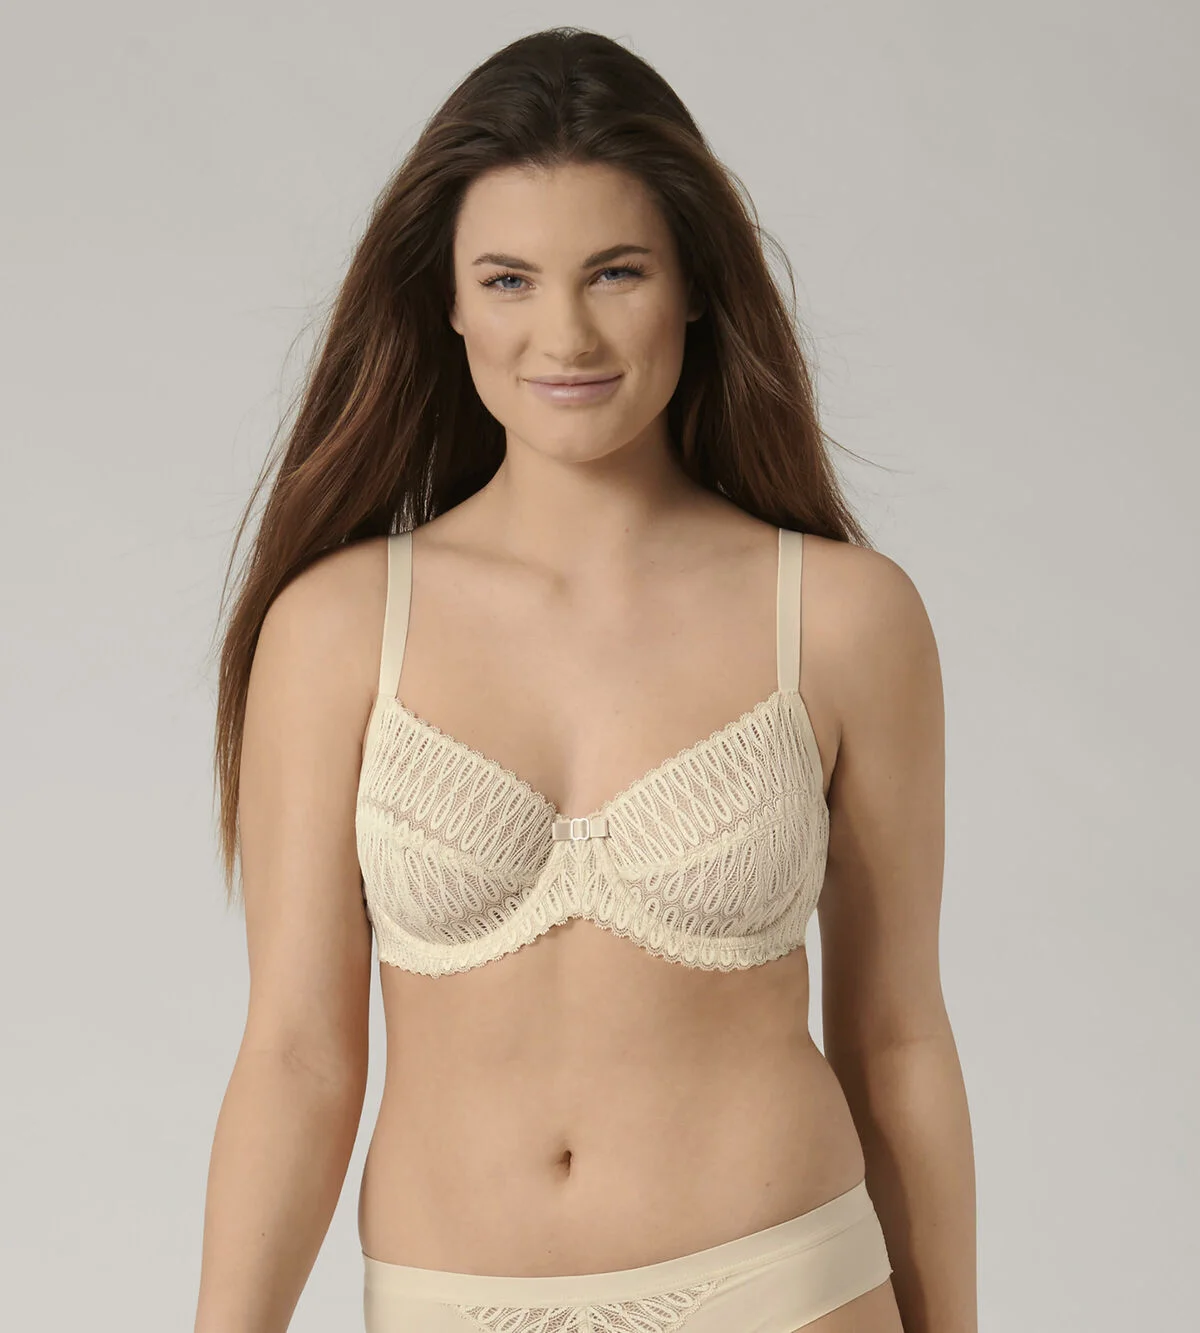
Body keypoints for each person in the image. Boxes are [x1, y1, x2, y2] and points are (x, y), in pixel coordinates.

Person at [195, 25, 976, 1333]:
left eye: (616, 272)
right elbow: (296, 1057)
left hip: (784, 1289)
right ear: (448, 301)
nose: (563, 333)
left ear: (695, 286)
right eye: (508, 279)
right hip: (452, 1299)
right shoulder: (337, 629)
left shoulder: (843, 620)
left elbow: (896, 1042)